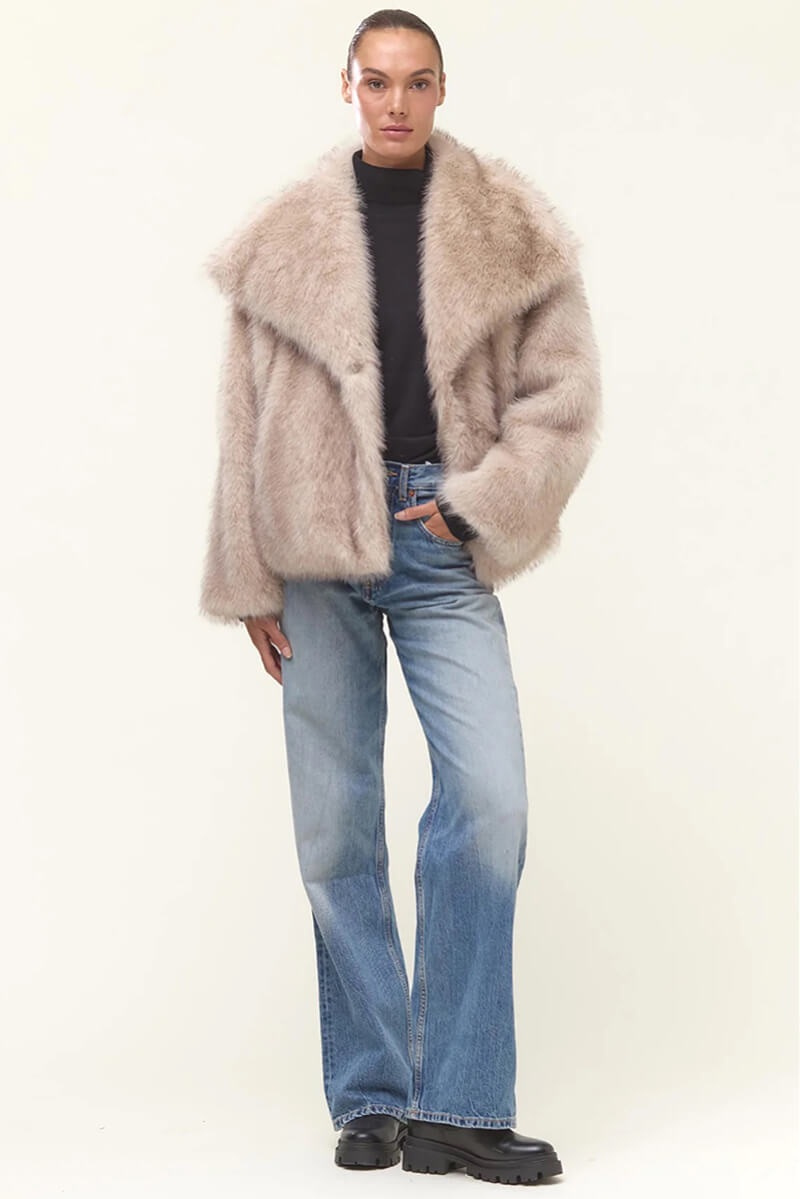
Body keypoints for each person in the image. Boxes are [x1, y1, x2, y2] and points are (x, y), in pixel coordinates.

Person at [199, 8, 601, 1186]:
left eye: (415, 82)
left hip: (439, 538)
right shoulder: (284, 235)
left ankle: (459, 1105)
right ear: (346, 88)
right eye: (375, 81)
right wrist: (247, 573)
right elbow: (240, 417)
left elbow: (563, 397)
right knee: (334, 823)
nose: (394, 101)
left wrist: (480, 501)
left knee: (489, 799)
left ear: (440, 90)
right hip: (311, 543)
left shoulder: (509, 227)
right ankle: (371, 1093)